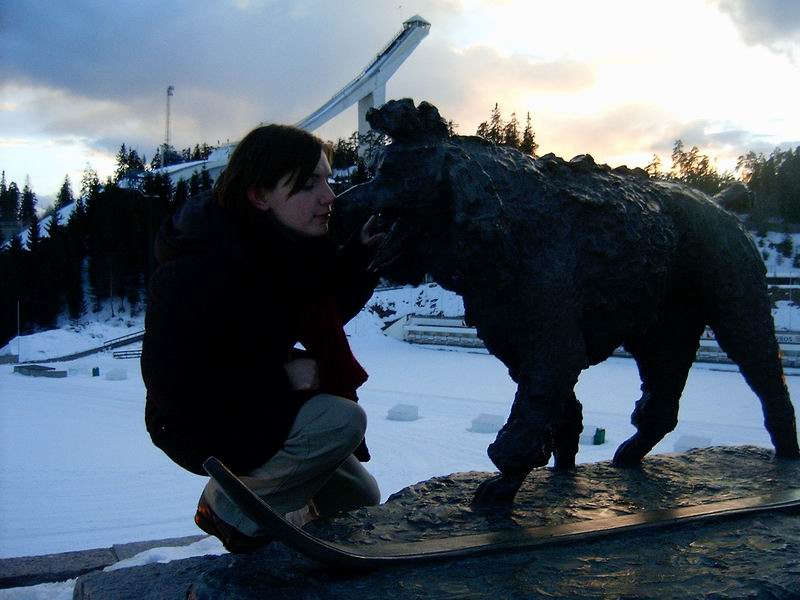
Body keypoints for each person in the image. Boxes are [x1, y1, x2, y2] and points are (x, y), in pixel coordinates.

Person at [141, 124, 383, 553]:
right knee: (342, 420)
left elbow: (321, 308)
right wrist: (280, 377)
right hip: (198, 419)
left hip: (258, 399)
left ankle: (289, 530)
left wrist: (361, 255)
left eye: (328, 179)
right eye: (309, 185)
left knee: (356, 500)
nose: (328, 195)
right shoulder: (197, 271)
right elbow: (172, 385)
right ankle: (227, 509)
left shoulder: (289, 248)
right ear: (259, 196)